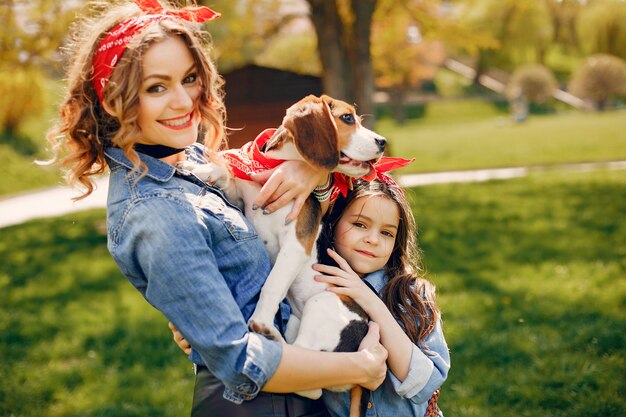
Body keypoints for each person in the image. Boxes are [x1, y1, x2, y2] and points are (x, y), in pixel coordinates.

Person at [46, 1, 388, 416]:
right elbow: (241, 363)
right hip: (257, 405)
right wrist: (362, 367)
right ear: (114, 102)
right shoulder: (156, 214)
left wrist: (310, 169)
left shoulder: (185, 159)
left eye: (189, 78)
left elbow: (263, 165)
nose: (183, 100)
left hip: (303, 378)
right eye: (156, 87)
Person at [173, 178, 451, 417]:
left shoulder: (411, 294)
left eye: (387, 233)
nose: (373, 239)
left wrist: (369, 300)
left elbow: (425, 382)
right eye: (360, 224)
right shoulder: (311, 282)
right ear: (331, 224)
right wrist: (200, 336)